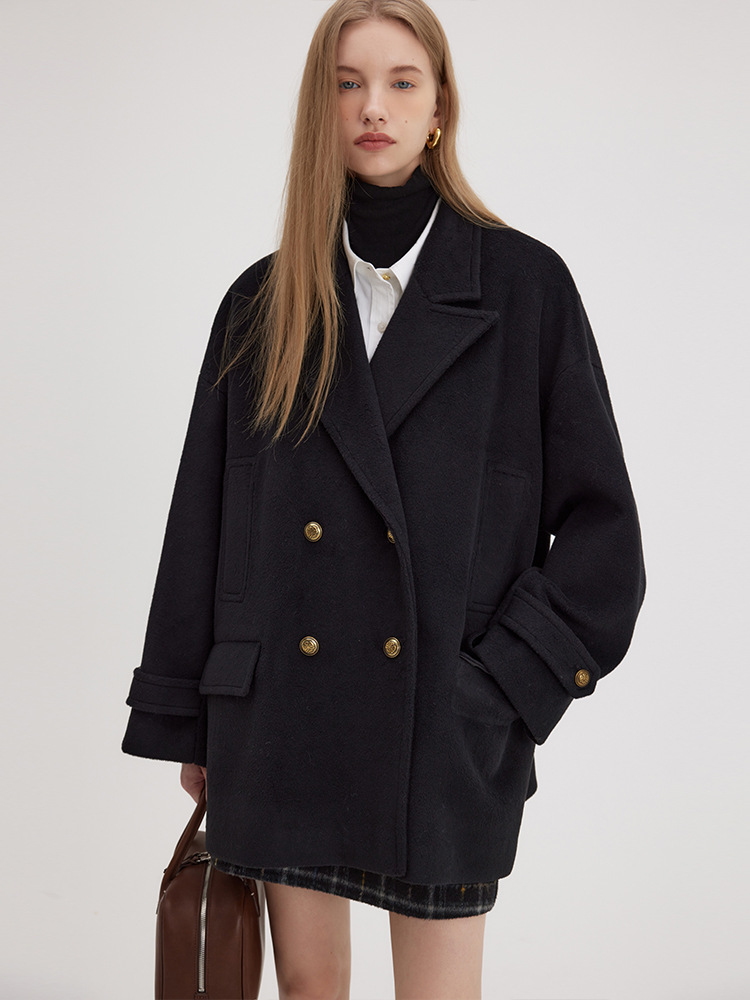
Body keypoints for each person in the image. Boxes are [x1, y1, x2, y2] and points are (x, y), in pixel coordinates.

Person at [121, 1, 646, 997]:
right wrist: (192, 717)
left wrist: (499, 688)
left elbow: (604, 539)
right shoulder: (262, 303)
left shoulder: (525, 288)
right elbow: (205, 523)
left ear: (440, 107)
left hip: (443, 729)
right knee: (310, 991)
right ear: (319, 111)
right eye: (347, 83)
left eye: (403, 81)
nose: (374, 106)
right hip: (282, 720)